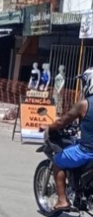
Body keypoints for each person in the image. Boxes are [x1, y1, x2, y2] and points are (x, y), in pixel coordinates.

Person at [40, 66, 93, 212]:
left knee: (58, 161)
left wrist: (48, 127)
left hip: (87, 151)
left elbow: (61, 122)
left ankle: (63, 200)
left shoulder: (84, 104)